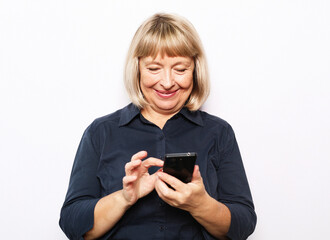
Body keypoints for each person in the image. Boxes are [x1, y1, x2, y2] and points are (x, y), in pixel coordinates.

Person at [59, 13, 256, 240]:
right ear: (138, 68)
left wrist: (200, 205)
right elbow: (72, 223)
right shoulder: (101, 132)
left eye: (180, 69)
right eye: (154, 68)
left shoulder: (219, 133)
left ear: (195, 70)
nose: (167, 82)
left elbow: (244, 224)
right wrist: (124, 198)